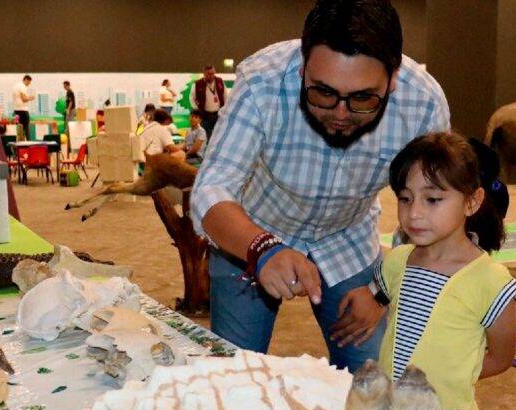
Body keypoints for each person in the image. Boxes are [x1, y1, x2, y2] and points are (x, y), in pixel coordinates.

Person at [191, 0, 449, 372]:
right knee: (233, 377)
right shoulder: (262, 81)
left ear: (393, 78)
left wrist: (382, 289)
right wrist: (261, 249)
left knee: (370, 381)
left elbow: (430, 212)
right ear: (302, 67)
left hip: (349, 241)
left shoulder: (423, 103)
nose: (340, 114)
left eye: (363, 98)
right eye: (323, 92)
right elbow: (211, 188)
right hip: (250, 236)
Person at [351, 131, 516, 410]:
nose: (413, 214)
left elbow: (501, 357)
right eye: (405, 198)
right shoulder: (396, 262)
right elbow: (382, 308)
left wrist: (453, 377)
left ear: (472, 202)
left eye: (433, 199)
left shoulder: (490, 281)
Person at [193, 65, 226, 140]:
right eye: (209, 74)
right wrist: (196, 109)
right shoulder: (198, 84)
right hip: (205, 115)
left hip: (218, 114)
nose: (211, 76)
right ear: (204, 74)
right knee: (206, 137)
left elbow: (225, 95)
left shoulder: (220, 81)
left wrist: (225, 108)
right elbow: (192, 98)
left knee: (219, 136)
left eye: (213, 73)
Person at [12, 75, 35, 140]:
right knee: (26, 128)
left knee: (20, 128)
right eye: (29, 82)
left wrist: (28, 97)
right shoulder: (22, 86)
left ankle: (21, 144)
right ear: (26, 80)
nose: (29, 84)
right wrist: (31, 98)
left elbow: (20, 97)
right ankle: (29, 143)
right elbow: (24, 99)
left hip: (16, 110)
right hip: (23, 111)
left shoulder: (15, 86)